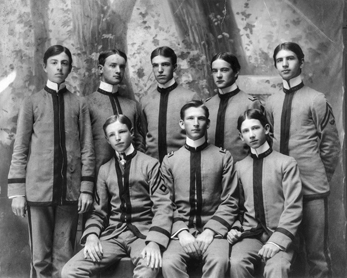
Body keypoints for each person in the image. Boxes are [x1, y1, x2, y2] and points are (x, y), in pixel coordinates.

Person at [7, 45, 95, 278]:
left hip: (70, 191)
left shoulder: (79, 104)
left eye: (64, 63)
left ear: (69, 68)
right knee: (40, 260)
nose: (59, 67)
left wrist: (86, 189)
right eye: (54, 62)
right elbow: (20, 150)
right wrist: (17, 191)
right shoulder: (32, 103)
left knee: (65, 258)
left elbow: (87, 149)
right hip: (38, 192)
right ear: (45, 66)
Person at [62, 114, 173, 278]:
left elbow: (163, 207)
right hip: (113, 235)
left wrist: (155, 242)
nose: (118, 138)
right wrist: (92, 236)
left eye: (122, 132)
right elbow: (99, 211)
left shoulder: (150, 164)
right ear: (107, 140)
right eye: (112, 135)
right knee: (69, 271)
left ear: (132, 132)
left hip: (143, 234)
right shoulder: (105, 170)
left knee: (148, 269)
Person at [265, 42, 340, 278]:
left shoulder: (316, 99)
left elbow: (330, 145)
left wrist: (319, 176)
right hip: (282, 191)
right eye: (280, 60)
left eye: (290, 58)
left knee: (317, 255)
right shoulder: (271, 102)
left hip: (311, 189)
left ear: (301, 62)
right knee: (287, 252)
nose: (285, 64)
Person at [160, 100, 238, 278]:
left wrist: (210, 231)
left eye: (201, 119)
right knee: (169, 263)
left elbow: (230, 201)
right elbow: (165, 203)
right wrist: (182, 232)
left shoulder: (223, 158)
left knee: (219, 261)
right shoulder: (170, 161)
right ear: (182, 123)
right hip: (181, 232)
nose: (195, 123)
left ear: (208, 123)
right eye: (190, 118)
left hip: (215, 232)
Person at [228, 109, 303, 278]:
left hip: (279, 234)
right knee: (237, 263)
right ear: (241, 137)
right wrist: (234, 228)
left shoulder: (286, 164)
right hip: (250, 235)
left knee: (277, 268)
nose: (251, 135)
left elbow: (294, 207)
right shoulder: (239, 167)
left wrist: (277, 241)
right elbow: (236, 207)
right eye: (246, 131)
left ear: (267, 129)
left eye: (255, 128)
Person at [87, 49, 145, 175]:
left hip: (132, 178)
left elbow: (139, 143)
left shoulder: (132, 105)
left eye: (122, 66)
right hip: (99, 177)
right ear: (101, 69)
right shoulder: (87, 104)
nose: (118, 71)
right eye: (113, 66)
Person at [140, 46, 200, 162]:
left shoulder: (190, 98)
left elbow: (198, 137)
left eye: (165, 64)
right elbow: (142, 137)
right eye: (155, 65)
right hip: (153, 167)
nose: (160, 70)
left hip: (182, 165)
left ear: (174, 67)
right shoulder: (145, 101)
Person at [205, 52, 262, 162]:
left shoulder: (250, 104)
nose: (219, 75)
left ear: (236, 72)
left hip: (241, 171)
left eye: (224, 70)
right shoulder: (207, 105)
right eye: (214, 71)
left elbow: (260, 145)